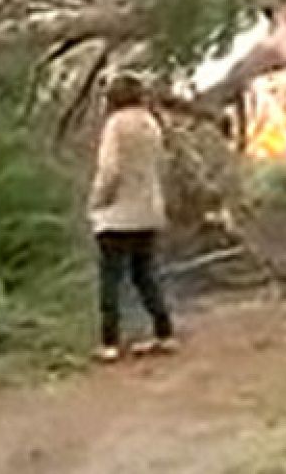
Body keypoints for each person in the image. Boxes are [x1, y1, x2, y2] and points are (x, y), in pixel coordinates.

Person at [89, 73, 175, 363]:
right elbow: (161, 165)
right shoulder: (151, 123)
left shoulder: (115, 125)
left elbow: (110, 169)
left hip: (117, 214)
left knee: (110, 279)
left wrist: (97, 201)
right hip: (148, 210)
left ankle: (109, 341)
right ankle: (164, 332)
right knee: (145, 275)